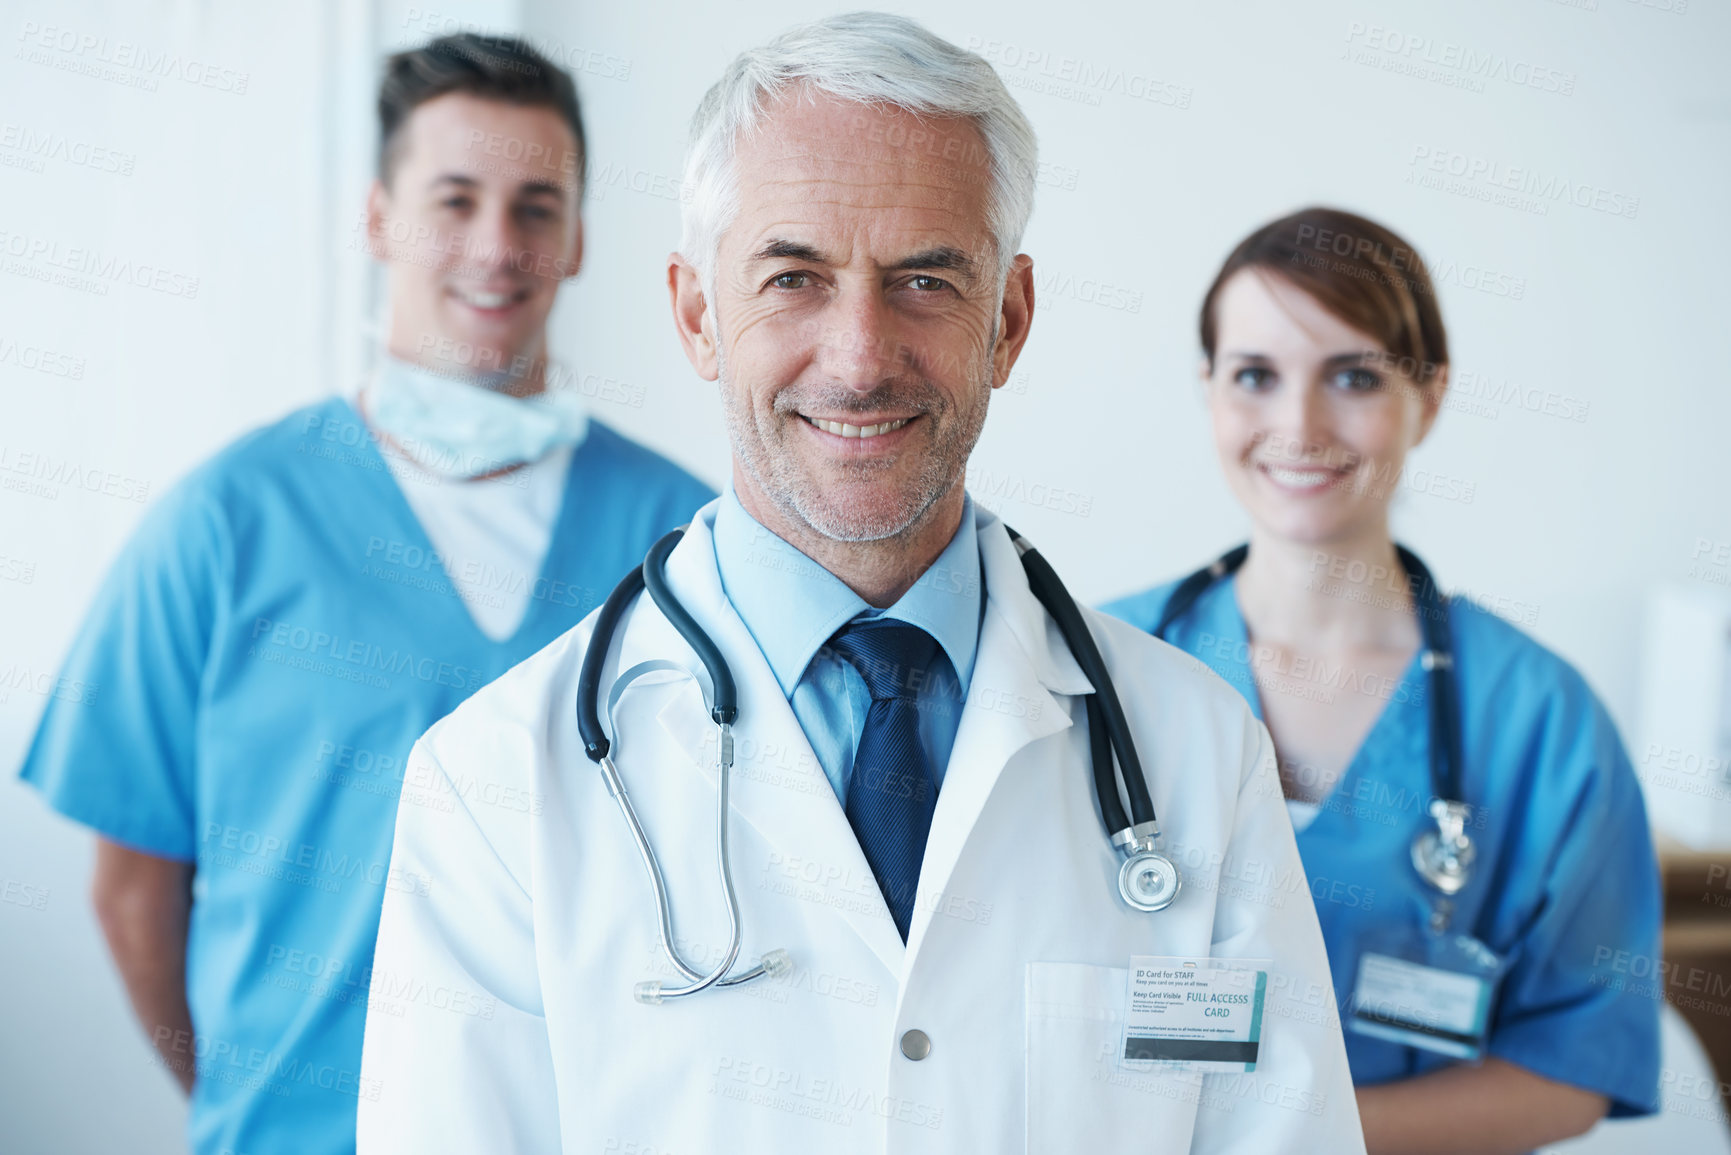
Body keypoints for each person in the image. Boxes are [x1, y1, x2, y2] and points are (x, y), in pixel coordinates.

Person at [357, 15, 1364, 1153]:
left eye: (926, 280)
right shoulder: (494, 785)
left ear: (1010, 321)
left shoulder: (1196, 756)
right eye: (793, 278)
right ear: (698, 315)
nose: (858, 356)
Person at [16, 33, 713, 1155]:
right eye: (455, 199)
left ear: (580, 238)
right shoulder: (226, 526)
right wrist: (266, 1106)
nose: (497, 246)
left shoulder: (681, 543)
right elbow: (130, 888)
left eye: (538, 206)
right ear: (381, 218)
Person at [1104, 207, 1660, 1153]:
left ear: (1429, 395)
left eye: (1354, 376)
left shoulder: (1537, 720)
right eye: (1254, 376)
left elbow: (1577, 1060)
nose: (1299, 425)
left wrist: (1293, 1139)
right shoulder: (1091, 665)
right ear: (1208, 390)